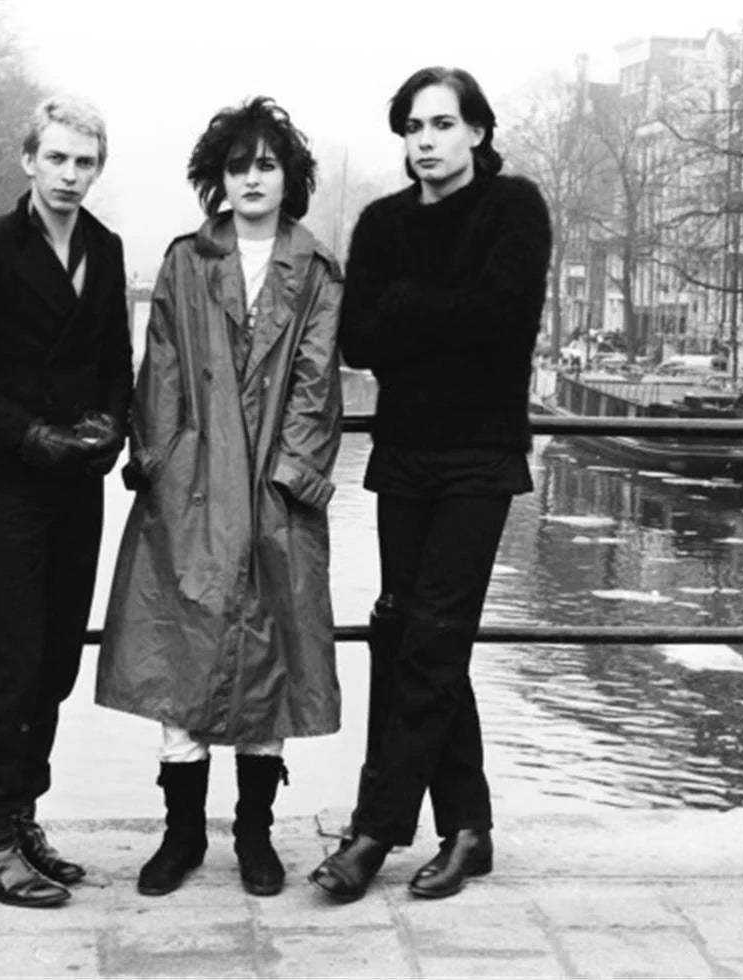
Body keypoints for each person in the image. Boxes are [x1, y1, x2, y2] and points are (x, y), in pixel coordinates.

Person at [308, 66, 550, 903]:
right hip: (406, 455)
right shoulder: (379, 222)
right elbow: (362, 342)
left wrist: (412, 306)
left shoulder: (513, 208)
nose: (424, 143)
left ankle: (374, 831)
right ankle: (469, 828)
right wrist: (440, 312)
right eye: (412, 128)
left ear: (476, 132)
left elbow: (506, 316)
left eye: (441, 125)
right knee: (409, 633)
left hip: (480, 456)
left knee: (434, 635)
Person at [96, 97, 344, 899]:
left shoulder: (315, 270)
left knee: (268, 666)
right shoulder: (183, 261)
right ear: (217, 178)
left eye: (266, 165)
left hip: (273, 499)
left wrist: (287, 476)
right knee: (181, 660)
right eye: (238, 165)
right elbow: (159, 370)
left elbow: (315, 383)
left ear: (289, 177)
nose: (251, 179)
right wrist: (161, 466)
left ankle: (254, 836)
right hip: (193, 493)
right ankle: (179, 836)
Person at [0, 96, 132, 908]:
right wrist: (28, 436)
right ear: (29, 161)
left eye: (84, 163)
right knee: (10, 665)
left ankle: (23, 814)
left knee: (52, 665)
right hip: (13, 481)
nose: (70, 176)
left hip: (77, 485)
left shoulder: (107, 248)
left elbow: (116, 356)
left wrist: (112, 427)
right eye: (57, 159)